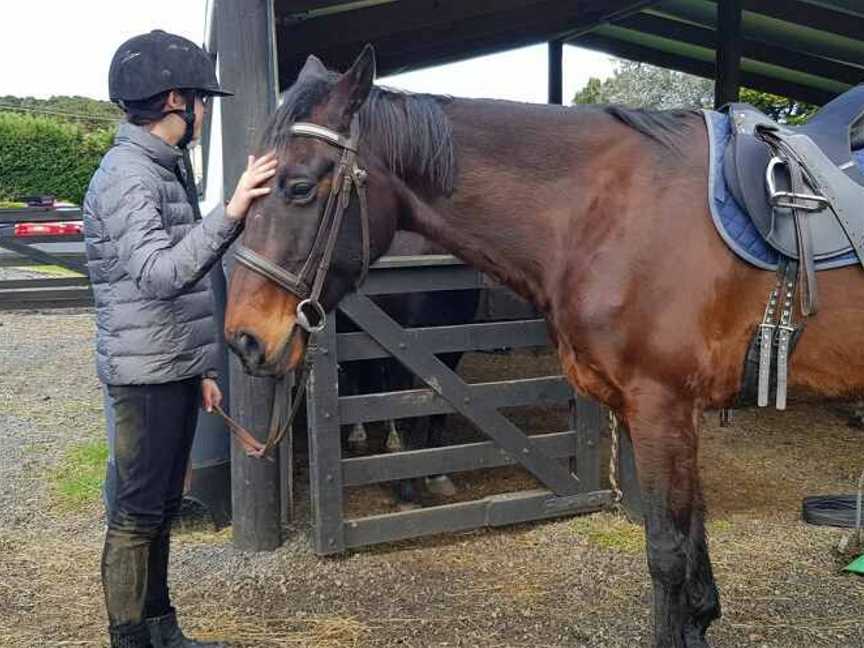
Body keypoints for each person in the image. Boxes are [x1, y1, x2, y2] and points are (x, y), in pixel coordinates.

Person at [83, 30, 277, 648]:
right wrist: (234, 210)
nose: (207, 110)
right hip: (142, 375)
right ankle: (131, 640)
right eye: (203, 99)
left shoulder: (161, 169)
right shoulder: (126, 177)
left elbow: (175, 289)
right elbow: (161, 272)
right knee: (137, 514)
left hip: (168, 365)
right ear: (176, 101)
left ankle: (164, 633)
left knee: (162, 508)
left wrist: (201, 371)